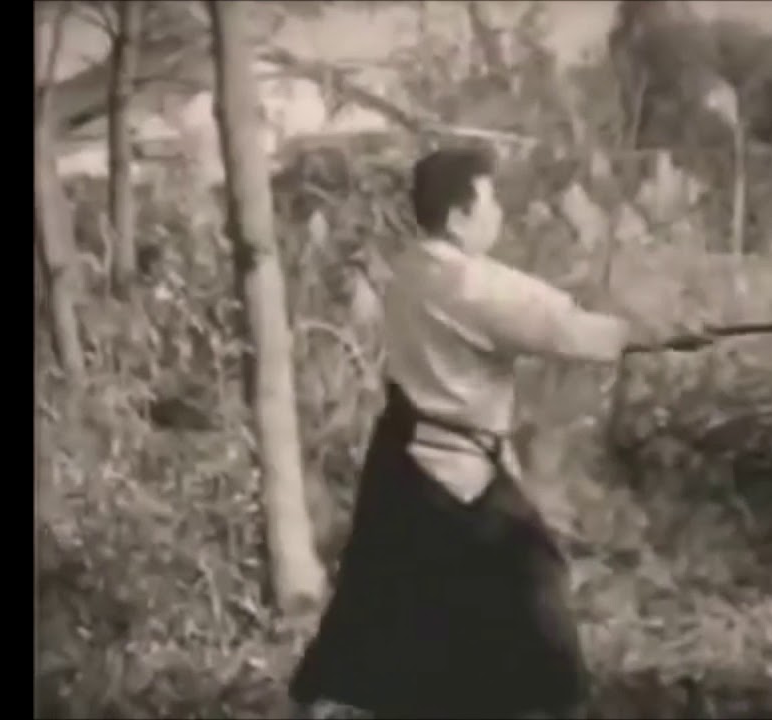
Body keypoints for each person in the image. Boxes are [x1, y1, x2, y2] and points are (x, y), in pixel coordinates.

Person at [288, 147, 698, 719]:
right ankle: (555, 701)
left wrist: (645, 330)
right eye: (490, 199)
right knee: (532, 572)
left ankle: (339, 702)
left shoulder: (417, 266)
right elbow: (554, 326)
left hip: (408, 460)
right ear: (458, 216)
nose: (499, 211)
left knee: (378, 592)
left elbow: (538, 302)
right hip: (447, 467)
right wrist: (648, 335)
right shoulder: (460, 283)